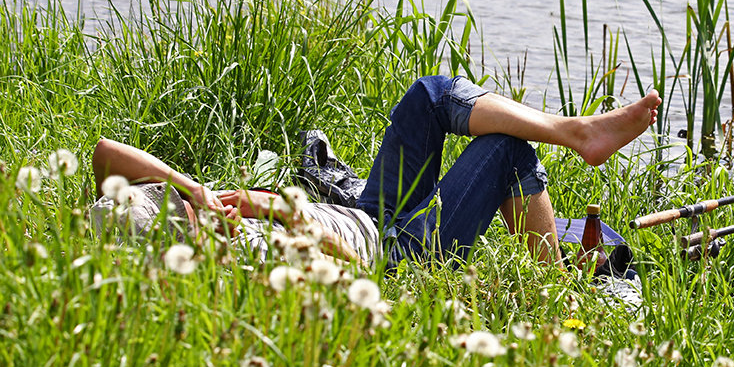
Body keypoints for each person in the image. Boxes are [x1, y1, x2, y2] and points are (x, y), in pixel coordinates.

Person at [91, 75, 660, 268]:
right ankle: (553, 281)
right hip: (396, 246)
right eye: (186, 217)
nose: (194, 212)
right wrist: (287, 213)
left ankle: (576, 131)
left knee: (429, 96)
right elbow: (342, 274)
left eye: (176, 206)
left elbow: (103, 153)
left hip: (365, 209)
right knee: (507, 148)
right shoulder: (236, 267)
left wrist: (192, 187)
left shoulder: (187, 209)